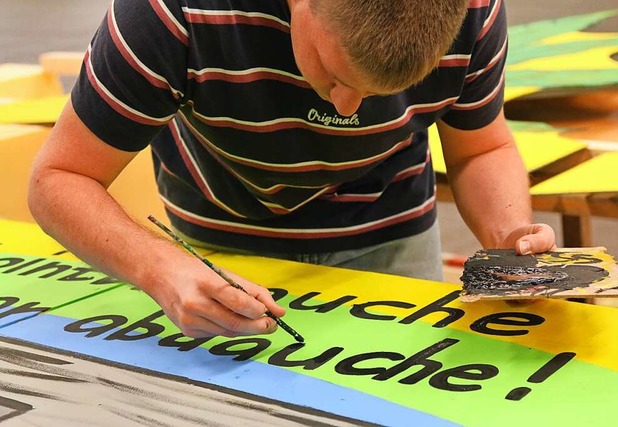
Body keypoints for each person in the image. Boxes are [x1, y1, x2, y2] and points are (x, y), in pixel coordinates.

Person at [28, 0, 556, 339]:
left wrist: (507, 237)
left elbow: (481, 149)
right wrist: (161, 269)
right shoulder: (170, 12)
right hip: (219, 248)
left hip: (390, 234)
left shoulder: (475, 11)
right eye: (334, 74)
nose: (349, 110)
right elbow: (59, 180)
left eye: (384, 93)